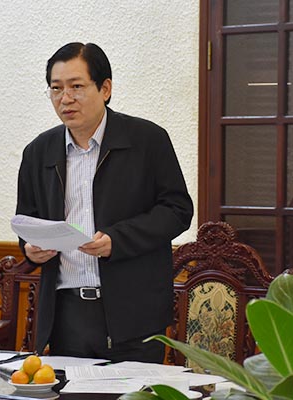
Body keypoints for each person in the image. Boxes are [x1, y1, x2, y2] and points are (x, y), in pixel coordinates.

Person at [15, 42, 193, 363]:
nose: (65, 98)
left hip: (134, 314)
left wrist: (117, 240)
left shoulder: (147, 140)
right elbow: (28, 220)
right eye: (56, 88)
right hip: (65, 313)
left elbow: (178, 211)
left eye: (76, 87)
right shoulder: (38, 152)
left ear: (105, 88)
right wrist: (31, 249)